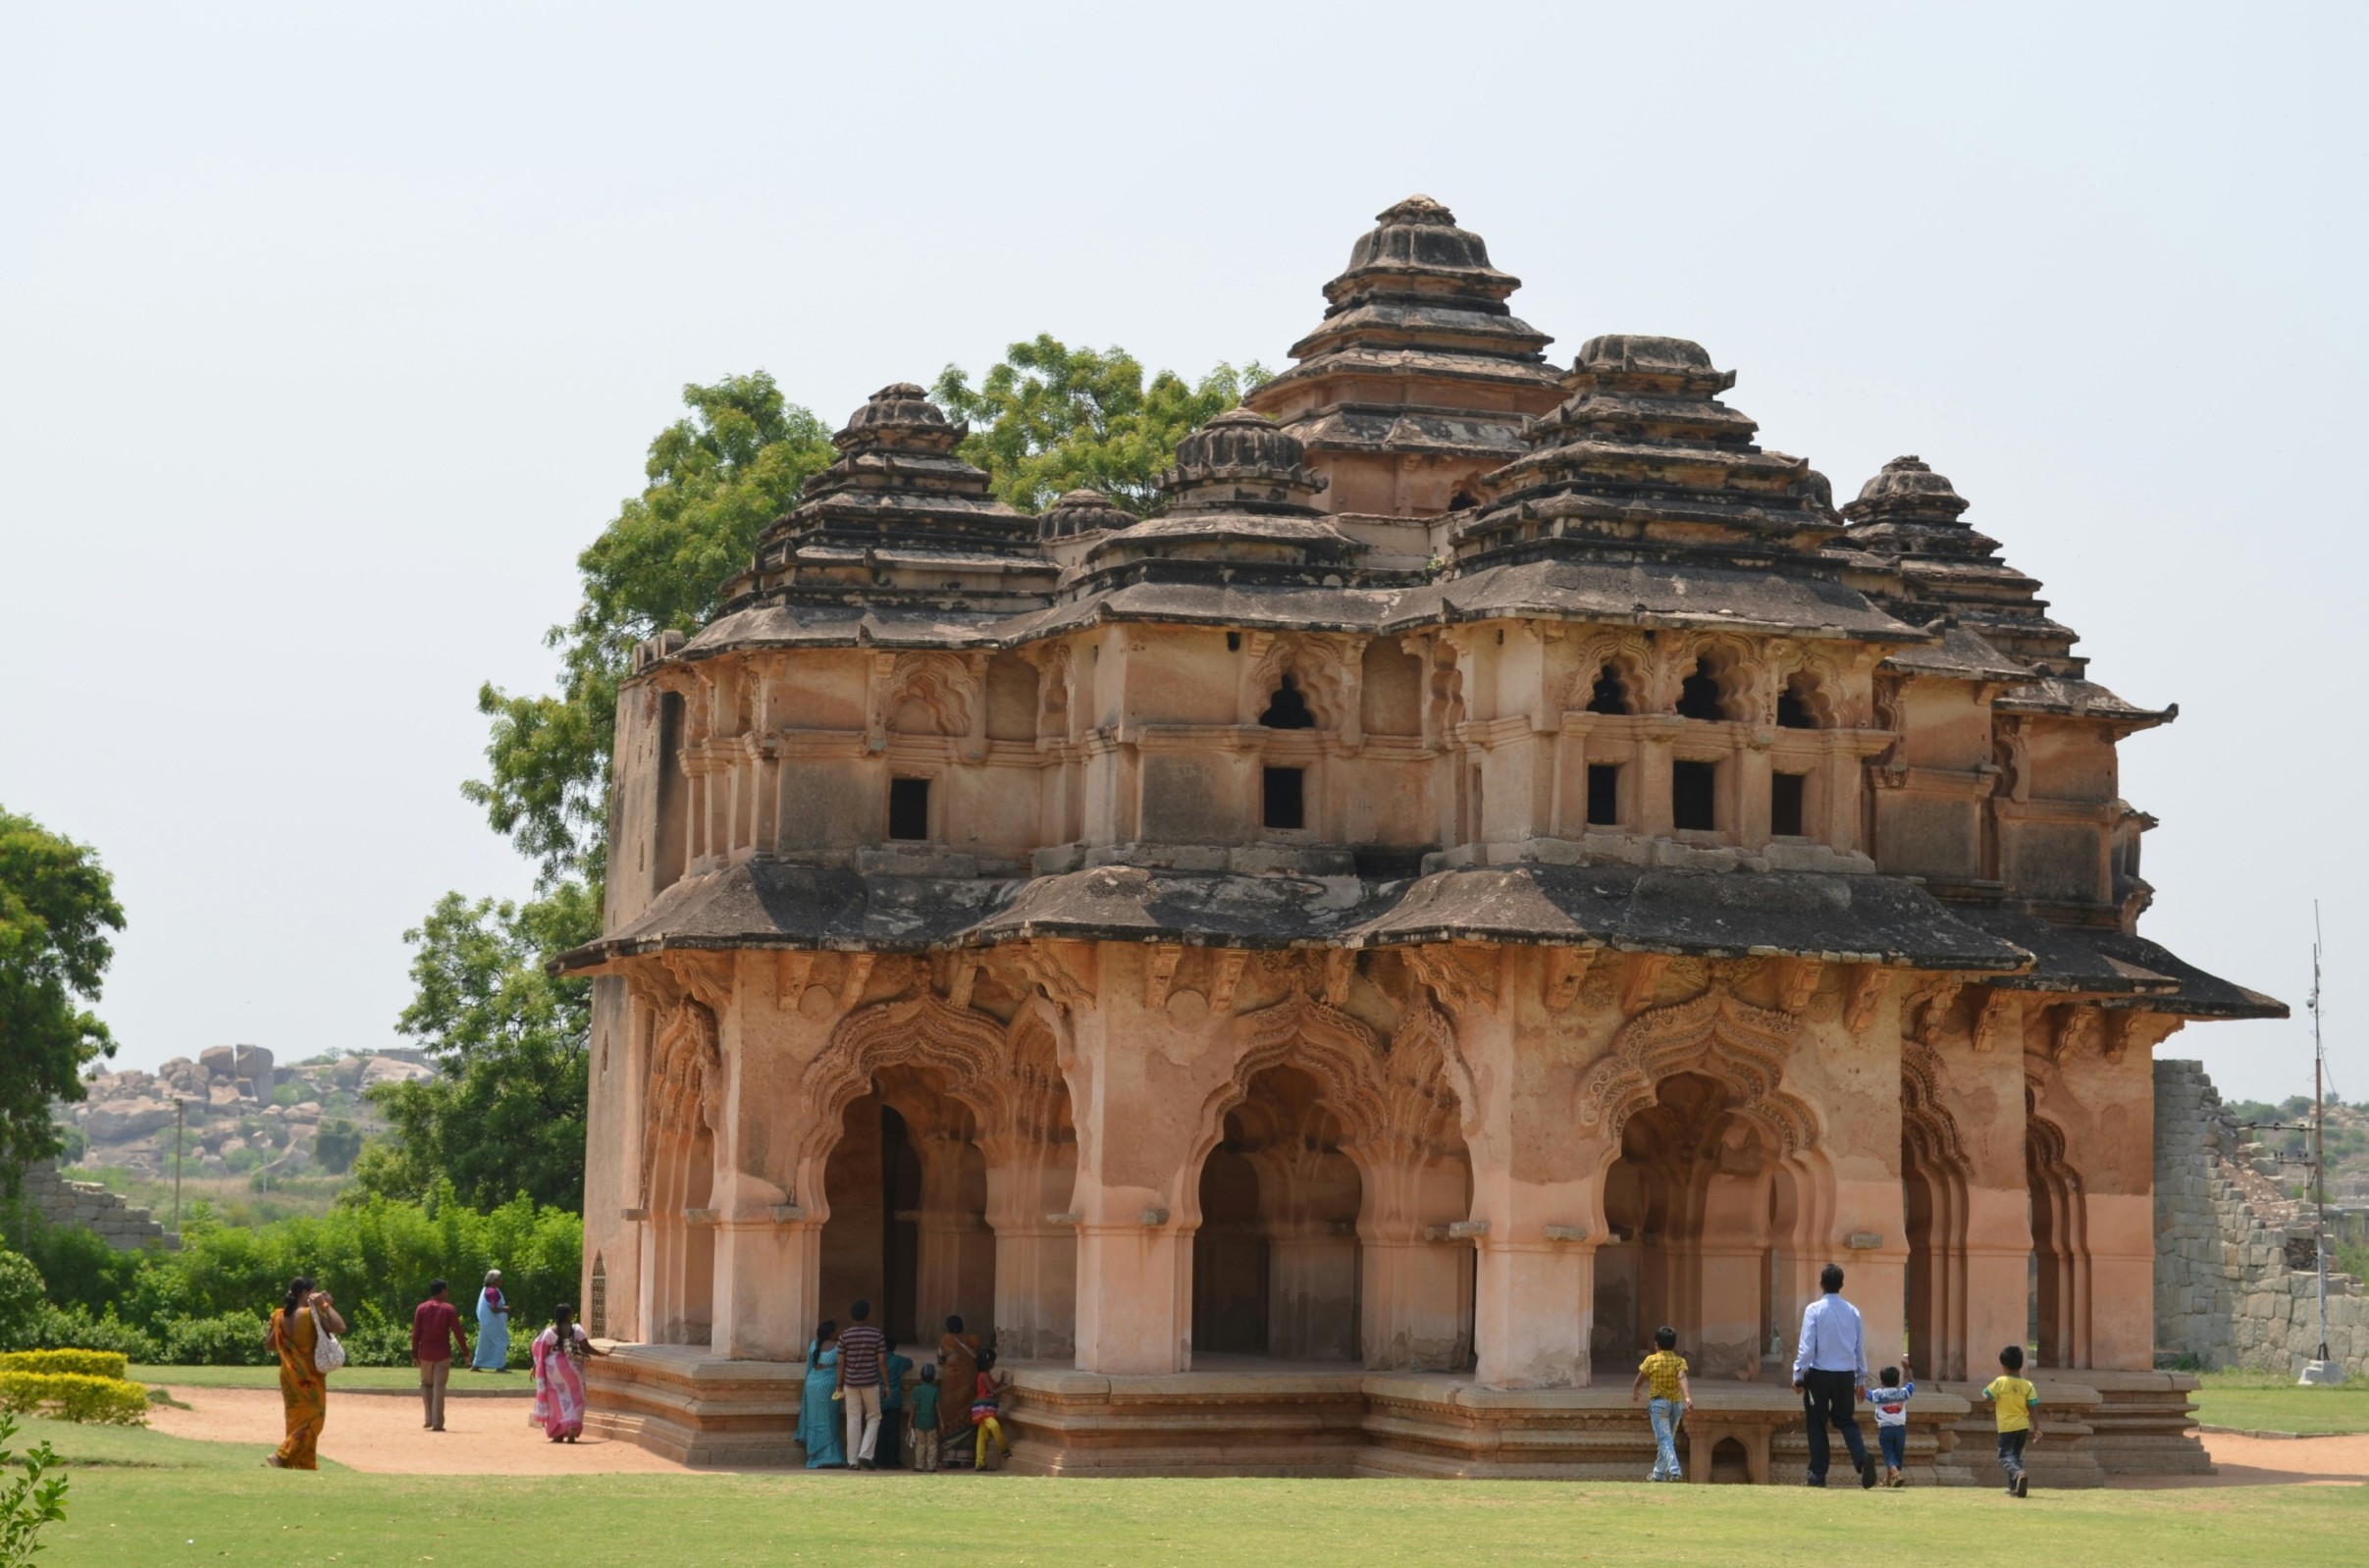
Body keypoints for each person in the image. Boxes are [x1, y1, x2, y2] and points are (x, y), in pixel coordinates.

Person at [1790, 1262, 1876, 1489]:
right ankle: (1861, 1458)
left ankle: (1817, 1475)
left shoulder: (1814, 1310)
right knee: (1845, 1420)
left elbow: (1807, 1347)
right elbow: (1859, 1348)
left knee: (1816, 1423)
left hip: (1819, 1376)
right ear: (1841, 1284)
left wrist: (1798, 1374)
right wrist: (1860, 1380)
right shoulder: (1853, 1311)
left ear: (1821, 1284)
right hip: (1845, 1375)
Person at [263, 1275, 344, 1470]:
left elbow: (270, 1345)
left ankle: (303, 1465)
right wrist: (325, 1305)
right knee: (315, 1417)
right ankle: (282, 1455)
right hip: (308, 1377)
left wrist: (273, 1326)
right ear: (305, 1293)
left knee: (296, 1419)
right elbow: (340, 1327)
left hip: (289, 1375)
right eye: (313, 1291)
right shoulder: (309, 1315)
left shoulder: (279, 1316)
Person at [530, 1303, 606, 1442]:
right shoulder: (577, 1329)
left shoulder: (550, 1331)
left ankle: (558, 1432)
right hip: (573, 1367)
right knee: (576, 1397)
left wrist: (535, 1366)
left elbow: (539, 1350)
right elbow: (586, 1348)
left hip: (554, 1368)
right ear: (568, 1315)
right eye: (570, 1313)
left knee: (554, 1398)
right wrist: (601, 1353)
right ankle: (571, 1427)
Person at [1629, 1326, 1693, 1482]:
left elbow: (1640, 1379)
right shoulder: (1679, 1361)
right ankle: (1658, 1474)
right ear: (1674, 1344)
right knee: (1667, 1439)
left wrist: (1636, 1392)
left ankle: (1675, 1470)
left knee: (1664, 1440)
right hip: (1675, 1405)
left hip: (1659, 1404)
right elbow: (1682, 1378)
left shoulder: (1651, 1360)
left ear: (1656, 1344)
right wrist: (1687, 1397)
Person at [1981, 1343, 2041, 1497]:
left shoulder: (2000, 1382)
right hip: (2023, 1427)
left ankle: (2019, 1474)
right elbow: (2033, 1407)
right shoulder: (2028, 1385)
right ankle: (2014, 1486)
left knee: (2005, 1457)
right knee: (2016, 1456)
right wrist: (2037, 1427)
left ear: (2004, 1366)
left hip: (2007, 1427)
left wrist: (1988, 1398)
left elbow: (1986, 1397)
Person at [410, 1279, 470, 1433]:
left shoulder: (421, 1308)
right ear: (442, 1291)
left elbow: (416, 1333)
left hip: (425, 1353)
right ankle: (437, 1422)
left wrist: (414, 1353)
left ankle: (428, 1417)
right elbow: (458, 1332)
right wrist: (465, 1352)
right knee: (439, 1387)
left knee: (425, 1384)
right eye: (446, 1290)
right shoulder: (448, 1309)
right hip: (443, 1353)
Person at [836, 1299, 888, 1470]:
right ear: (867, 1315)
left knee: (853, 1419)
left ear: (852, 1316)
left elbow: (840, 1362)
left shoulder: (844, 1336)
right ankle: (865, 1454)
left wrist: (839, 1385)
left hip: (850, 1383)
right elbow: (882, 1361)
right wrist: (887, 1384)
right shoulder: (876, 1335)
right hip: (870, 1382)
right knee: (874, 1417)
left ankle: (852, 1461)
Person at [799, 1320, 846, 1468]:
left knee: (814, 1420)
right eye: (837, 1330)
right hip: (828, 1385)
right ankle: (831, 1457)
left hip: (812, 1383)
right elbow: (841, 1364)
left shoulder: (814, 1344)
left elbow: (809, 1367)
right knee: (830, 1420)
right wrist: (840, 1385)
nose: (839, 1332)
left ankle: (815, 1456)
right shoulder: (838, 1346)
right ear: (831, 1333)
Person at [936, 1314, 980, 1465]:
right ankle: (965, 1456)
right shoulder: (972, 1340)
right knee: (966, 1416)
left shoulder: (946, 1340)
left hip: (950, 1385)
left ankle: (949, 1456)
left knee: (950, 1416)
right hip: (968, 1383)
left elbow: (940, 1358)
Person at [1866, 1358, 1916, 1488]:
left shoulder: (1879, 1394)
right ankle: (1887, 1480)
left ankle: (1896, 1475)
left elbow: (1864, 1393)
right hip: (1900, 1430)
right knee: (1896, 1455)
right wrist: (1907, 1369)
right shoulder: (1903, 1393)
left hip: (1886, 1430)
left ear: (1881, 1381)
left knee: (1888, 1455)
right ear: (1898, 1381)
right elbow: (1911, 1384)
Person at [970, 1345, 1012, 1471]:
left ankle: (979, 1462)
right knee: (994, 1426)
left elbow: (993, 1386)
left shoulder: (986, 1374)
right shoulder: (983, 1375)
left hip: (986, 1407)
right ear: (988, 1363)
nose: (994, 1363)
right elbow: (993, 1391)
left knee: (982, 1436)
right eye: (993, 1361)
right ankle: (1004, 1448)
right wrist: (1007, 1387)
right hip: (983, 1409)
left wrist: (1001, 1381)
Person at [878, 1333, 914, 1470]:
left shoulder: (876, 1360)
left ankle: (881, 1460)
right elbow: (909, 1362)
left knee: (881, 1431)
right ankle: (892, 1460)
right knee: (893, 1432)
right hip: (894, 1399)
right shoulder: (897, 1360)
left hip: (879, 1398)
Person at [473, 1270, 512, 1372]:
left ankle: (476, 1364)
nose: (501, 1280)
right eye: (500, 1278)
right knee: (501, 1342)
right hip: (494, 1323)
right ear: (494, 1280)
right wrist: (504, 1309)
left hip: (486, 1323)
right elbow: (493, 1308)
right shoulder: (493, 1292)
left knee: (483, 1344)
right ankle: (500, 1366)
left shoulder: (486, 1290)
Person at [907, 1364, 942, 1473]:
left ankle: (919, 1465)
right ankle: (931, 1466)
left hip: (919, 1421)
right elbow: (937, 1407)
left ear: (921, 1376)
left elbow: (913, 1407)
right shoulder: (936, 1390)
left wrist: (910, 1421)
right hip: (932, 1421)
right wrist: (941, 1421)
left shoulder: (916, 1390)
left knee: (920, 1444)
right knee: (932, 1444)